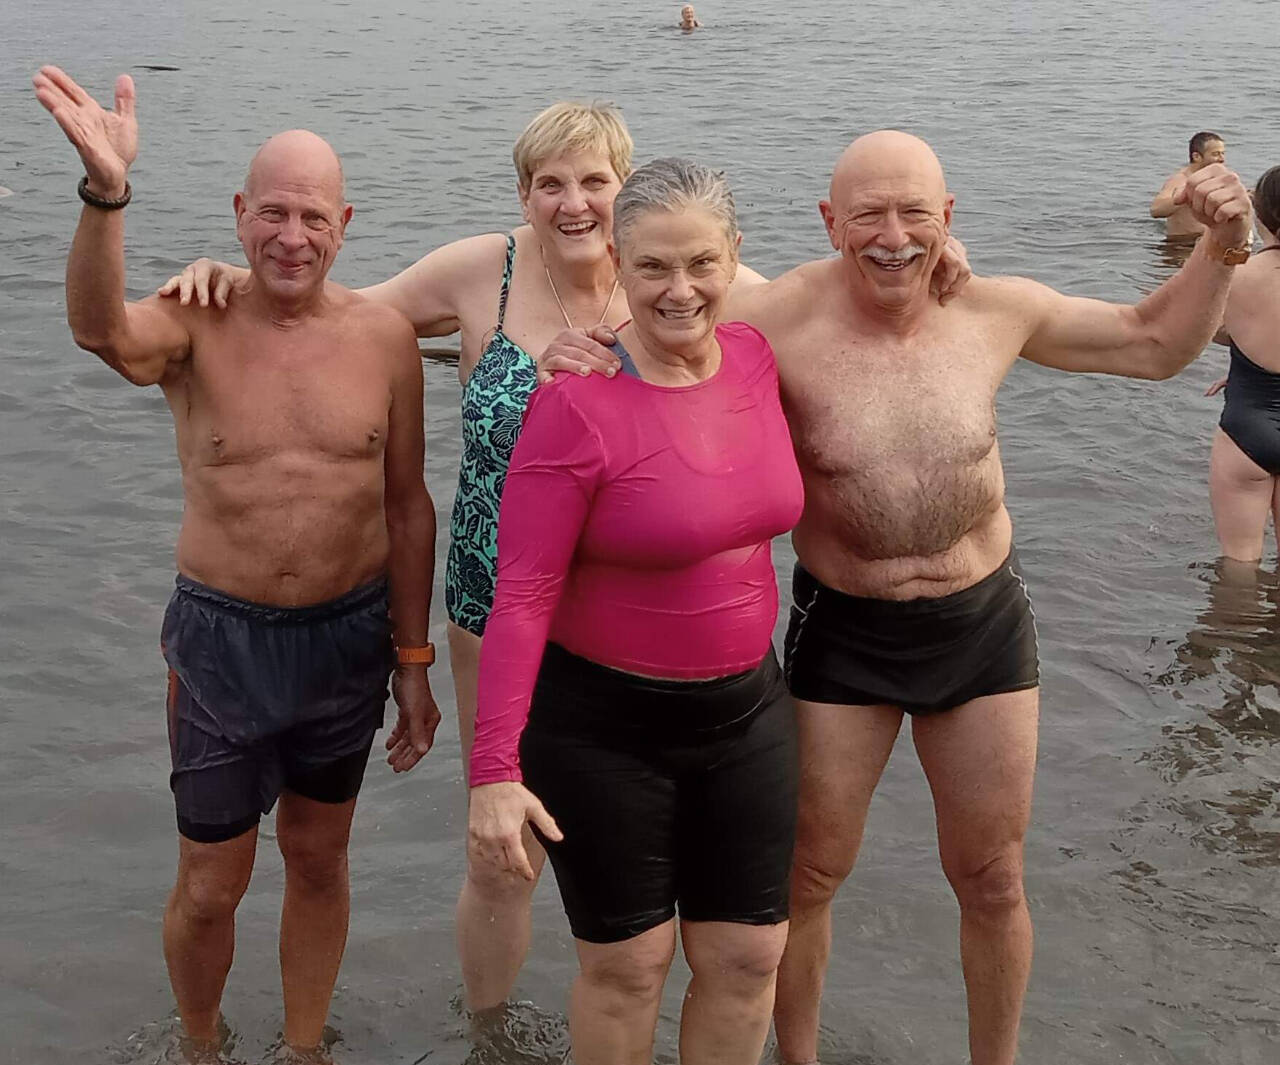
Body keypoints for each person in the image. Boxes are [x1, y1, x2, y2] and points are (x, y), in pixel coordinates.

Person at [158, 107, 972, 1016]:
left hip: (626, 611)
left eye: (594, 182)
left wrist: (929, 260)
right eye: (551, 182)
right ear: (524, 193)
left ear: (627, 194)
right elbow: (321, 307)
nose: (573, 202)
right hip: (493, 593)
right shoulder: (480, 271)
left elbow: (833, 301)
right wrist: (228, 279)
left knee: (634, 855)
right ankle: (491, 1037)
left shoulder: (691, 274)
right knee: (504, 852)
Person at [541, 129, 1252, 1065]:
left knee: (993, 878)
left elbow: (1157, 345)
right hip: (846, 625)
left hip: (981, 626)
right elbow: (666, 272)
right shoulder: (772, 319)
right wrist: (582, 346)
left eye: (916, 212)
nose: (893, 236)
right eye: (868, 214)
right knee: (809, 878)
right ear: (828, 222)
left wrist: (1224, 248)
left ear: (949, 218)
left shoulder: (996, 308)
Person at [32, 66, 440, 1065]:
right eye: (271, 213)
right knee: (211, 882)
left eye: (311, 215)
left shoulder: (384, 338)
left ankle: (305, 1050)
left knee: (318, 857)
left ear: (343, 221)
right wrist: (105, 192)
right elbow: (99, 331)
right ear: (238, 213)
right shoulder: (195, 318)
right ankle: (202, 1048)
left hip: (345, 641)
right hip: (221, 641)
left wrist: (414, 658)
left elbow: (405, 505)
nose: (290, 236)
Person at [467, 157, 804, 1065]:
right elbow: (522, 593)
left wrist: (946, 259)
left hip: (747, 715)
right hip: (602, 730)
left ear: (734, 258)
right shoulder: (575, 402)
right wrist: (494, 771)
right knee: (627, 968)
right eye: (652, 266)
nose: (680, 288)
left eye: (701, 262)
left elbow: (870, 281)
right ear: (617, 261)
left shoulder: (759, 359)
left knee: (747, 957)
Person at [1204, 166, 1280, 562]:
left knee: (1239, 560)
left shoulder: (1238, 272)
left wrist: (1244, 369)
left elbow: (1208, 331)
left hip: (1247, 423)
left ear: (1261, 213)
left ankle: (1233, 625)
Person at [1151, 131, 1228, 239]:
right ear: (1196, 156)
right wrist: (1185, 195)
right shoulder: (1181, 180)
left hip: (1209, 242)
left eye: (1223, 153)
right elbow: (1156, 210)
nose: (1222, 159)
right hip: (1181, 245)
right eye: (1215, 154)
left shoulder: (1218, 178)